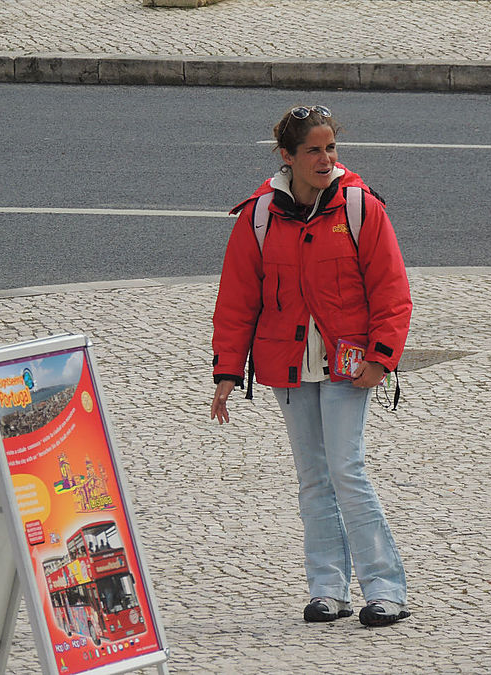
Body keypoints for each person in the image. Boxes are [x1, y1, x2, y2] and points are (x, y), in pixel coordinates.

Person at [210, 105, 413, 627]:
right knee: (312, 478)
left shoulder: (361, 208)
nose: (325, 159)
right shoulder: (259, 215)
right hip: (288, 367)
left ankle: (384, 589)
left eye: (331, 149)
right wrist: (227, 374)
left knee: (346, 472)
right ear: (287, 157)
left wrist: (383, 358)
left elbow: (391, 290)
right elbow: (237, 298)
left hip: (349, 367)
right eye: (313, 151)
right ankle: (328, 588)